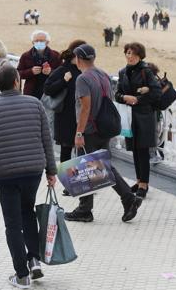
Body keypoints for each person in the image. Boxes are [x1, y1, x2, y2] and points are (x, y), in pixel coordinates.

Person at [0, 64, 57, 289]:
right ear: (17, 81)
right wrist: (51, 170)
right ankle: (34, 260)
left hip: (5, 173)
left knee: (12, 224)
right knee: (27, 213)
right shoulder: (35, 104)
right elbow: (46, 139)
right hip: (33, 171)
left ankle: (21, 274)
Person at [64, 44, 143, 223]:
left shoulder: (83, 79)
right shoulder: (103, 74)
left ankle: (86, 209)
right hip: (105, 127)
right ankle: (126, 199)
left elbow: (85, 107)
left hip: (90, 129)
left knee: (85, 167)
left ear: (78, 58)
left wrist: (79, 133)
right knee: (101, 166)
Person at [115, 42, 162, 199]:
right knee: (134, 150)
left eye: (133, 53)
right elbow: (117, 94)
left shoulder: (146, 71)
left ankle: (144, 184)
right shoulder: (122, 72)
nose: (130, 56)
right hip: (129, 116)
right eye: (127, 53)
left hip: (144, 116)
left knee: (142, 150)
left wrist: (138, 99)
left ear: (140, 55)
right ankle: (138, 180)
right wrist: (124, 97)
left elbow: (156, 92)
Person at [43, 40, 84, 164]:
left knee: (83, 153)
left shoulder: (84, 70)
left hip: (82, 117)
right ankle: (67, 181)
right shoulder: (63, 70)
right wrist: (64, 81)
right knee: (66, 153)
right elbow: (48, 89)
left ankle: (81, 182)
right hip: (66, 118)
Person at [16, 30, 61, 100]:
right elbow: (18, 73)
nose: (39, 43)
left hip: (50, 93)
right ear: (32, 42)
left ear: (47, 42)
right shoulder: (25, 56)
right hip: (31, 93)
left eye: (42, 41)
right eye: (36, 41)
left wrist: (51, 72)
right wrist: (30, 71)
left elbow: (62, 73)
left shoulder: (56, 56)